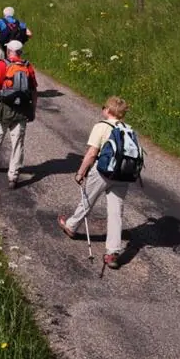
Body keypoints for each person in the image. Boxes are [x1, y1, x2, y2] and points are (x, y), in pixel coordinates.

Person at [58, 97, 135, 270]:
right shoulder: (128, 129)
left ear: (108, 110)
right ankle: (112, 253)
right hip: (123, 176)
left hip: (103, 172)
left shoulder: (102, 126)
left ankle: (71, 225)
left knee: (88, 200)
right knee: (116, 212)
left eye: (104, 107)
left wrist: (80, 172)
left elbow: (92, 153)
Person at [0, 39, 37, 189]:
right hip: (22, 109)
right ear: (20, 52)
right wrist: (33, 109)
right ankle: (14, 176)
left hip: (4, 108)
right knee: (18, 142)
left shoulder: (3, 64)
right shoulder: (28, 66)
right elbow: (34, 91)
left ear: (9, 51)